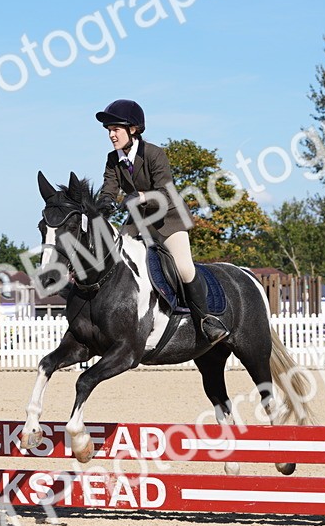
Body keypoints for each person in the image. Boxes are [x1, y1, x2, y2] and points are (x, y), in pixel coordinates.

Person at [92, 99, 228, 345]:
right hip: (138, 221)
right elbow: (109, 190)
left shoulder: (155, 154)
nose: (111, 135)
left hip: (168, 219)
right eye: (109, 130)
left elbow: (167, 194)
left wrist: (142, 196)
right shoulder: (113, 159)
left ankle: (206, 321)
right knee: (116, 256)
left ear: (132, 129)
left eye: (115, 129)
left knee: (185, 268)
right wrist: (103, 205)